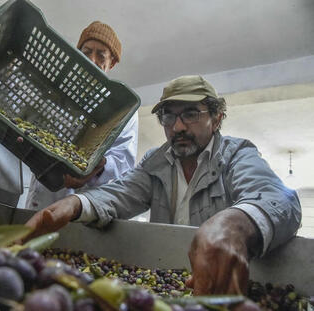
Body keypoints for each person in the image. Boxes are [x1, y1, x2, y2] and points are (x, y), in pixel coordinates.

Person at [24, 75, 302, 295]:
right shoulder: (155, 162)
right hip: (168, 284)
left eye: (191, 113)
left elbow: (280, 199)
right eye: (169, 116)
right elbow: (120, 193)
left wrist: (235, 227)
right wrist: (75, 203)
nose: (178, 126)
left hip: (224, 287)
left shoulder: (236, 155)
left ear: (216, 118)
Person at [25, 21, 138, 210]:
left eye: (101, 55)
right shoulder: (57, 93)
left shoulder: (122, 109)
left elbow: (123, 162)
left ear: (112, 62)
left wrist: (96, 168)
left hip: (82, 207)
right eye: (86, 52)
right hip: (40, 198)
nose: (91, 60)